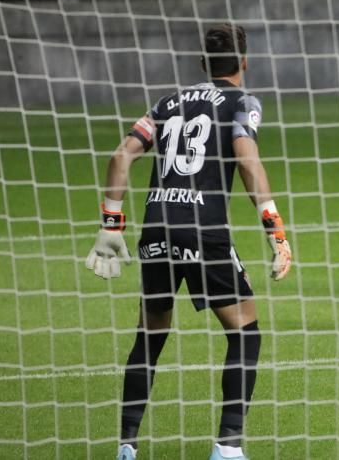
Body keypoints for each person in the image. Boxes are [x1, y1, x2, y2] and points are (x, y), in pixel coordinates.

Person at [85, 23, 293, 460]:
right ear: (245, 62)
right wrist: (275, 230)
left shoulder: (166, 102)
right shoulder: (243, 102)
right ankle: (228, 447)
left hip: (156, 228)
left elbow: (121, 155)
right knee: (245, 331)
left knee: (150, 334)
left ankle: (126, 446)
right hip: (204, 230)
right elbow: (248, 160)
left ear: (202, 63)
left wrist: (110, 224)